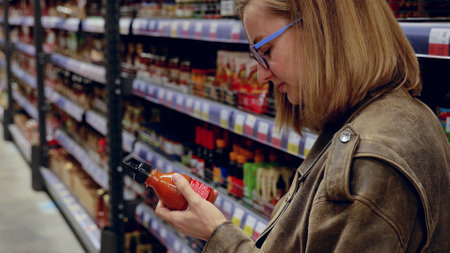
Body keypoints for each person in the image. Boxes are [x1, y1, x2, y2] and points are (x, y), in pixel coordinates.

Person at [155, 0, 450, 252]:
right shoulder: (378, 120)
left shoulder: (370, 161)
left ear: (324, 28)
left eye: (266, 51)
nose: (260, 75)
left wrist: (218, 234)